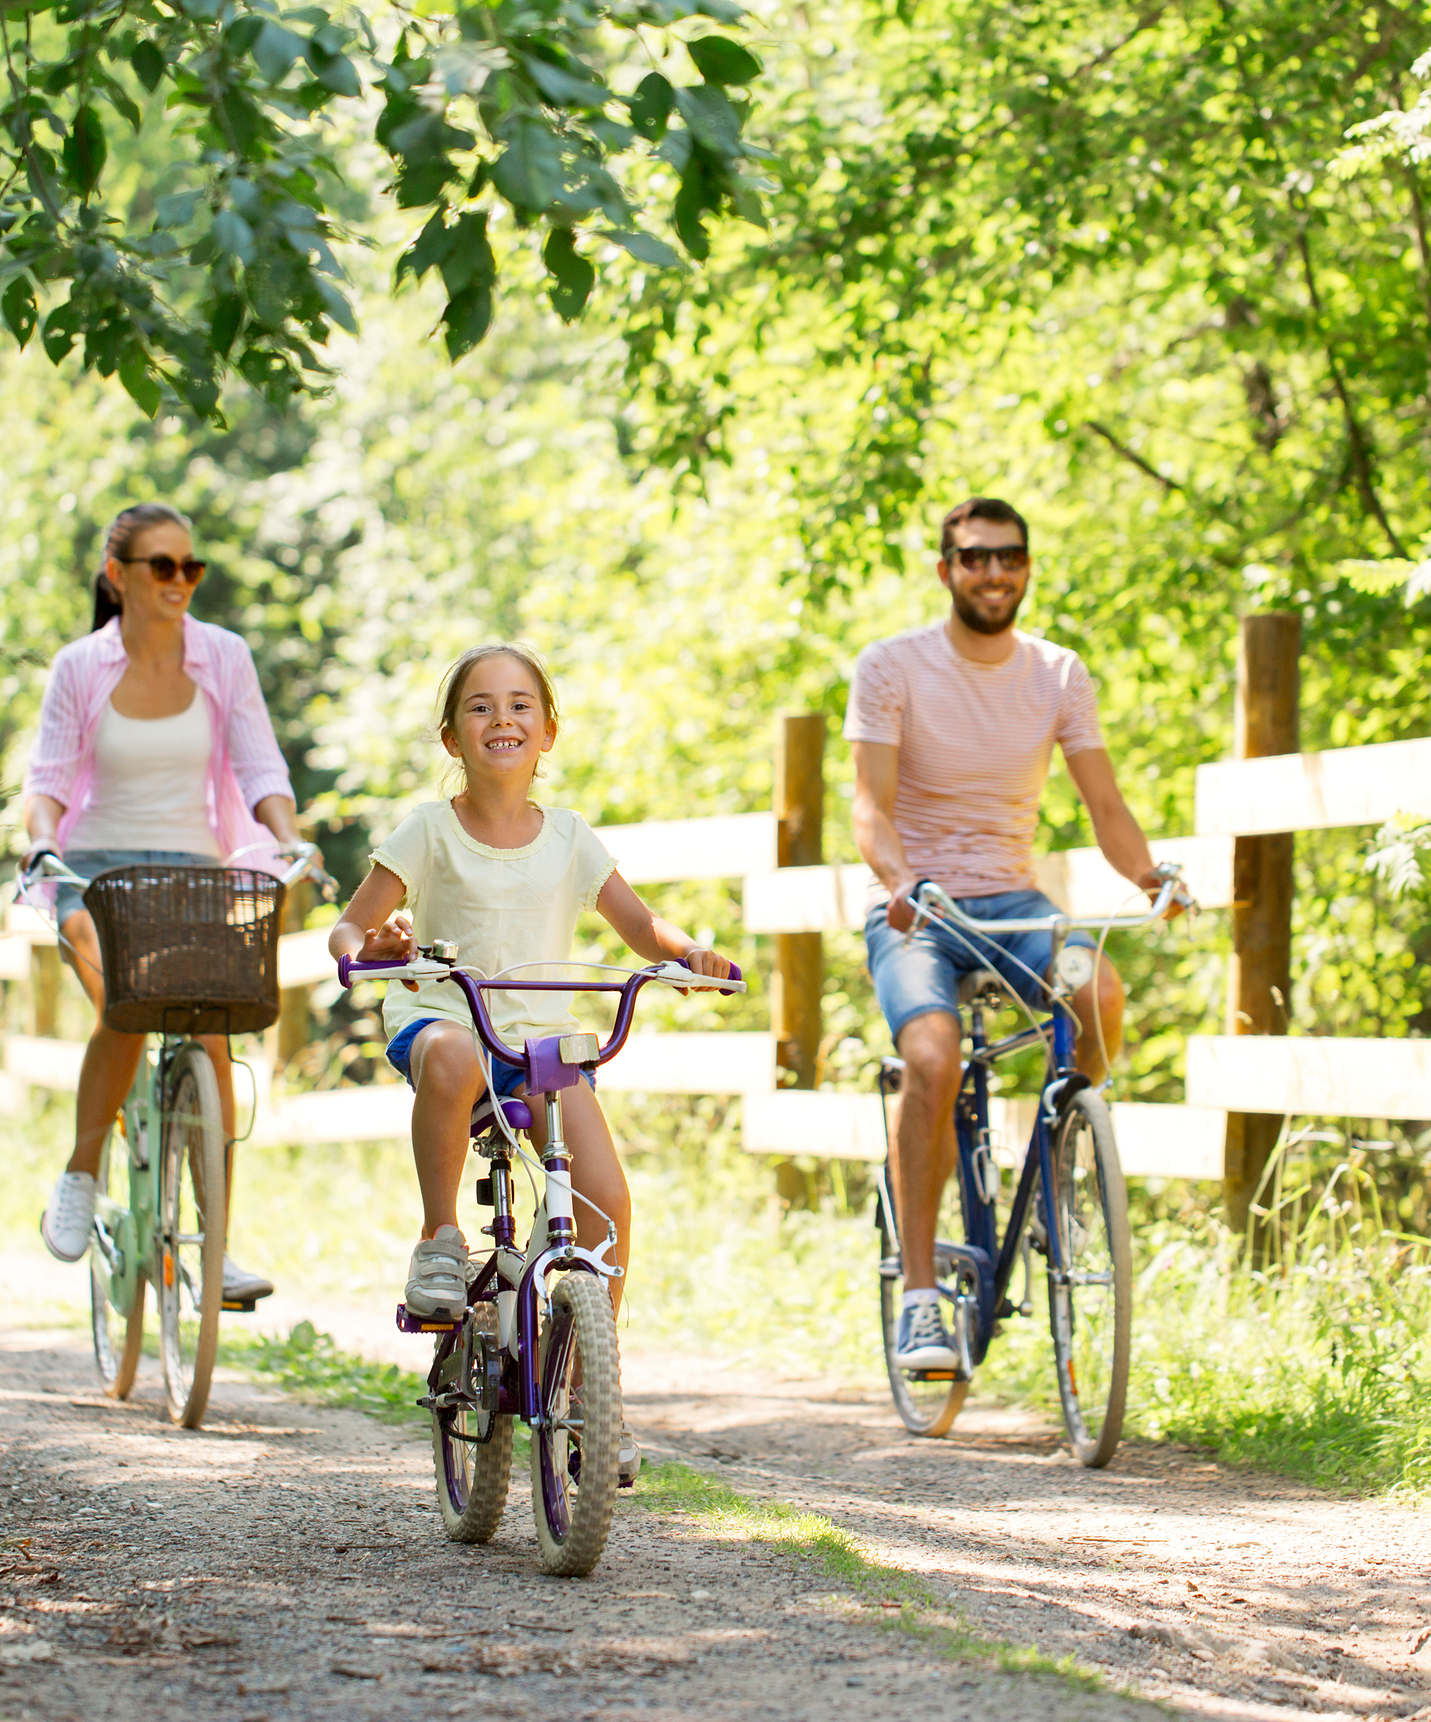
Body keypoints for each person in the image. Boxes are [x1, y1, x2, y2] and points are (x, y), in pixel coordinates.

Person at [327, 642, 734, 1481]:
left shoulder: (572, 838)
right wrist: (371, 943)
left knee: (605, 1206)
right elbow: (352, 924)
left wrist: (688, 954)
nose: (500, 719)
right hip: (450, 1018)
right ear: (451, 738)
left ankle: (587, 1396)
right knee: (447, 1057)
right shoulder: (428, 831)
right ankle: (440, 1236)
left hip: (536, 1045)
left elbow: (640, 926)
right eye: (479, 707)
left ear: (548, 732)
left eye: (519, 706)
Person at [847, 496, 1173, 1372]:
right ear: (946, 568)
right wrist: (898, 882)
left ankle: (1056, 1162)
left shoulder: (1057, 672)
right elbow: (870, 808)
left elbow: (1105, 807)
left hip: (1015, 908)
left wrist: (1151, 876)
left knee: (1097, 989)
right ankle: (920, 1296)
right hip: (918, 910)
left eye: (1010, 558)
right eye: (976, 557)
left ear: (1026, 568)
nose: (994, 572)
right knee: (931, 1058)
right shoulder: (891, 667)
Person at [23, 502, 309, 1305]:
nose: (179, 580)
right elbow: (46, 782)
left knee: (212, 1032)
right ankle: (82, 1172)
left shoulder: (224, 656)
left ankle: (213, 1245)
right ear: (118, 576)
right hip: (95, 871)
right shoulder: (82, 666)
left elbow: (260, 767)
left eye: (191, 566)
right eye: (162, 566)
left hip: (193, 871)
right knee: (126, 1001)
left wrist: (285, 839)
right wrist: (39, 841)